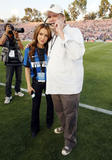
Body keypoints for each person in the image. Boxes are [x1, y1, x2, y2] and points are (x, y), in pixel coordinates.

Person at [45, 4, 85, 156]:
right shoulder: (52, 37)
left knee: (70, 115)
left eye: (55, 15)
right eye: (50, 15)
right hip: (55, 84)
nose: (51, 18)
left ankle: (70, 141)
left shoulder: (74, 32)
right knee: (60, 112)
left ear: (63, 17)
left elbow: (76, 54)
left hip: (69, 85)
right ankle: (65, 127)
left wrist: (61, 32)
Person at [23, 24, 54, 137]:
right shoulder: (29, 49)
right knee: (35, 106)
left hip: (50, 82)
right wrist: (28, 85)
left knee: (51, 104)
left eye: (46, 35)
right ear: (36, 34)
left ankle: (49, 122)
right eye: (41, 34)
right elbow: (26, 68)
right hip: (36, 83)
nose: (43, 37)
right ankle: (34, 128)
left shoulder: (50, 49)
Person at [0, 23, 24, 104]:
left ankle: (17, 91)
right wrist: (6, 32)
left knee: (19, 79)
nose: (9, 28)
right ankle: (8, 96)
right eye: (8, 27)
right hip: (9, 62)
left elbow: (21, 48)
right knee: (8, 80)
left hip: (18, 61)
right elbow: (0, 43)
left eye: (10, 27)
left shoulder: (15, 36)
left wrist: (17, 37)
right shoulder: (5, 37)